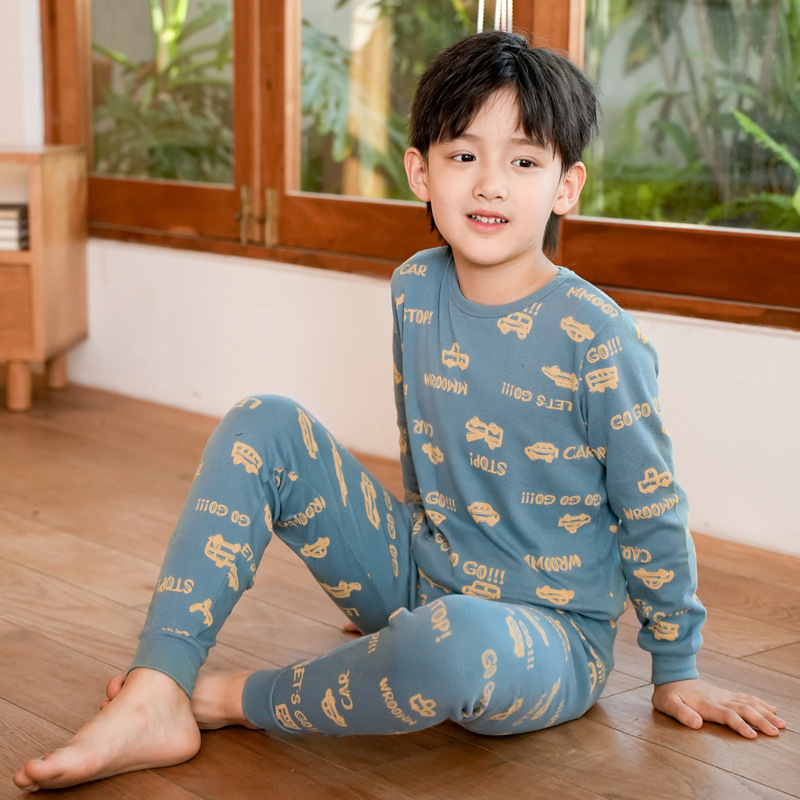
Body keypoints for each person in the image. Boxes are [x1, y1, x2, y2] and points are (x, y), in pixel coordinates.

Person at [14, 30, 784, 793]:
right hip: (424, 574)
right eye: (464, 156)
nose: (490, 185)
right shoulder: (416, 287)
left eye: (523, 161)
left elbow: (651, 507)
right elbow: (425, 444)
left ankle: (227, 700)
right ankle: (156, 687)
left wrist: (676, 668)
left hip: (550, 635)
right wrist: (392, 590)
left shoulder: (597, 335)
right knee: (263, 420)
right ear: (421, 171)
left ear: (566, 186)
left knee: (454, 643)